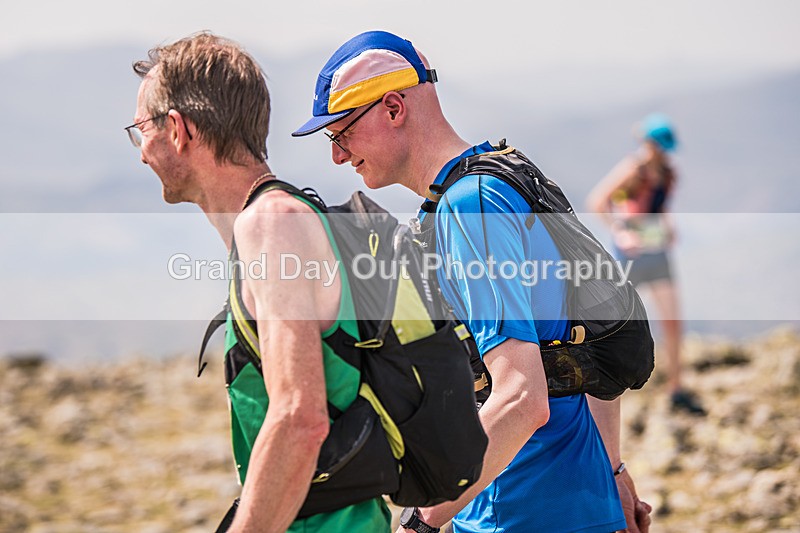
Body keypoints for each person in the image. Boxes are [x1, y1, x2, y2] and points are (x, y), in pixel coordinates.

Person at [293, 30, 651, 533]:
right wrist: (612, 472)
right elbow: (588, 334)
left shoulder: (469, 208)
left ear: (394, 108)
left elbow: (521, 397)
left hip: (518, 513)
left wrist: (421, 520)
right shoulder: (506, 178)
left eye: (340, 132)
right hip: (580, 505)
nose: (336, 155)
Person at [127, 32, 391, 532]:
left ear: (179, 130)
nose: (141, 151)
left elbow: (299, 418)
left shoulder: (272, 225)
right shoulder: (282, 218)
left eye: (141, 128)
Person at [587, 114, 705, 416]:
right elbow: (599, 201)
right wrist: (620, 231)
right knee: (615, 322)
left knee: (672, 322)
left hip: (658, 252)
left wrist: (668, 226)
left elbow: (659, 206)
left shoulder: (666, 172)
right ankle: (601, 389)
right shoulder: (632, 169)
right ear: (648, 143)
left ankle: (676, 389)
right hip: (632, 256)